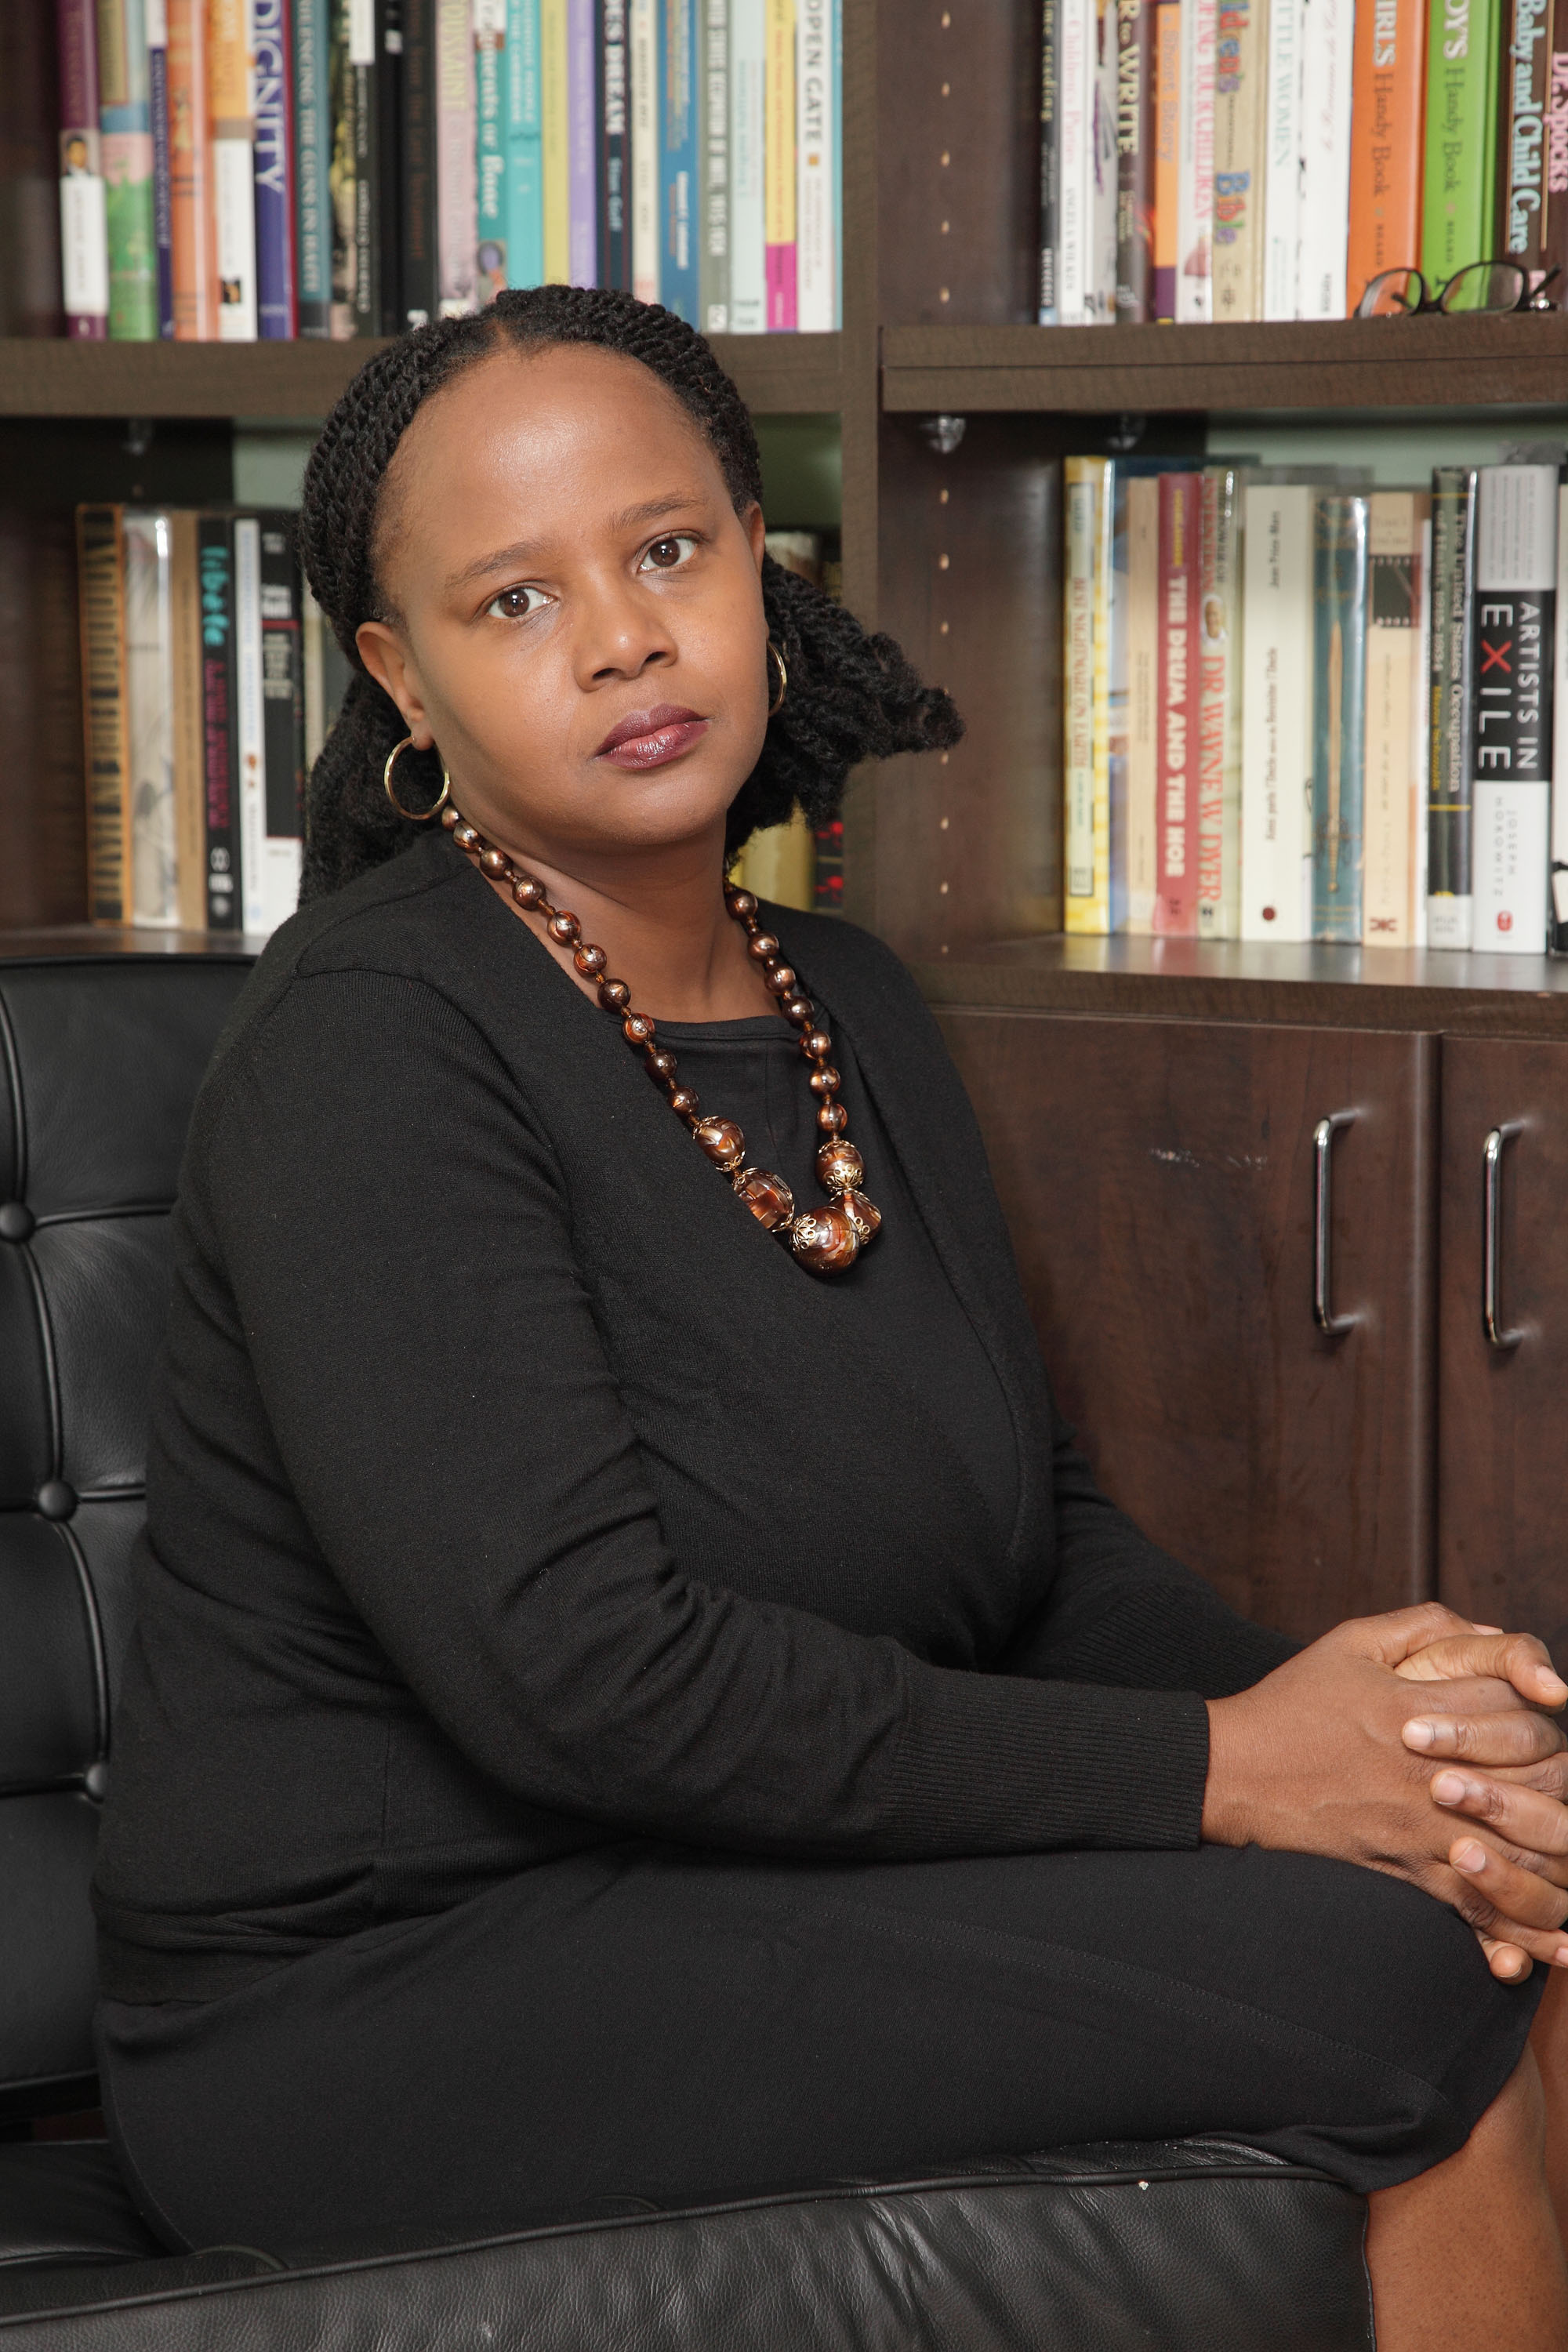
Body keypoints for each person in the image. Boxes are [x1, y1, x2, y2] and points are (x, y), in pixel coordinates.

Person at [93, 288, 1568, 2349]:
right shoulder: (371, 1041)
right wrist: (1236, 1766)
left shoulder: (841, 994)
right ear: (397, 677)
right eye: (515, 599)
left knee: (1504, 1878)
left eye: (667, 549)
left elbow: (1035, 1544)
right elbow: (593, 1685)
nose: (622, 638)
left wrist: (1385, 1744)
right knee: (1400, 1981)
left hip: (734, 1879)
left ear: (758, 569)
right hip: (378, 1987)